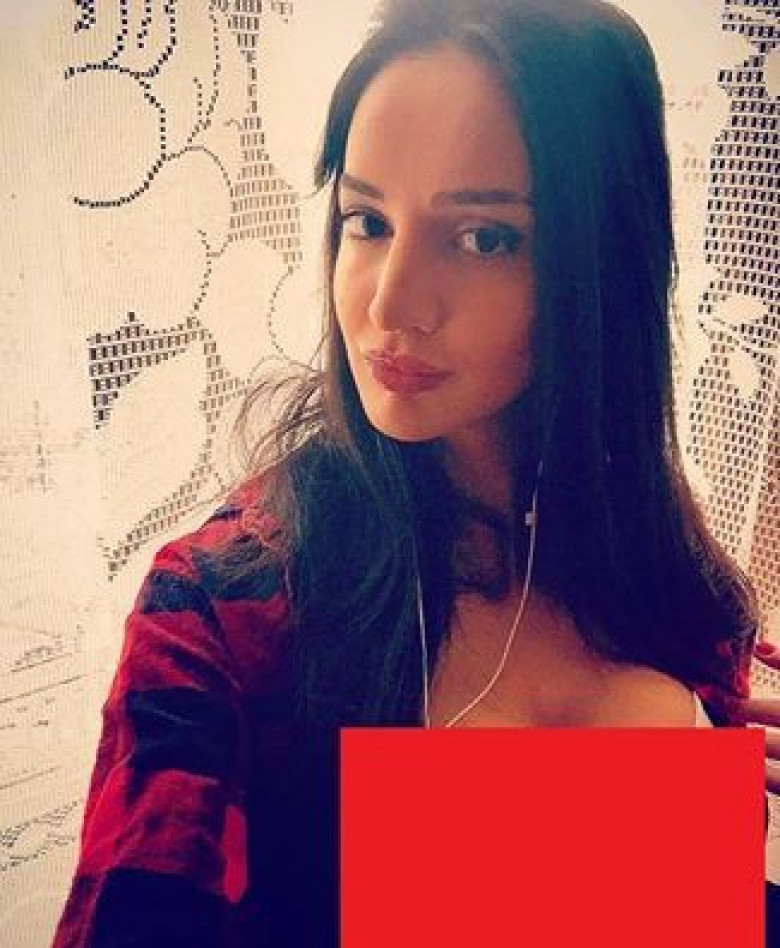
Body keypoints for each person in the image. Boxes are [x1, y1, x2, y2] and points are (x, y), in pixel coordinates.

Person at [52, 1, 773, 945]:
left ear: (605, 261)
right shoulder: (225, 611)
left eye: (483, 238)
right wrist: (639, 829)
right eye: (367, 221)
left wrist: (719, 851)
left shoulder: (671, 579)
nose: (391, 306)